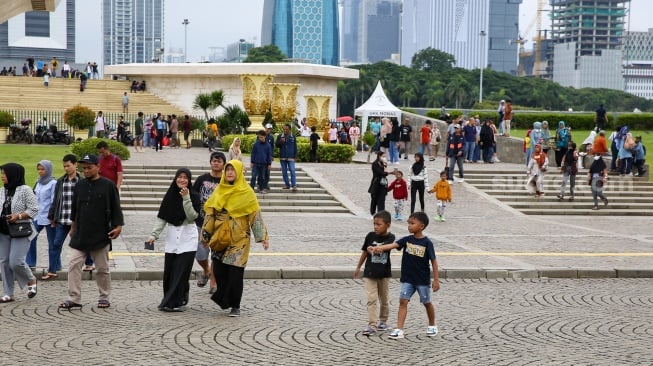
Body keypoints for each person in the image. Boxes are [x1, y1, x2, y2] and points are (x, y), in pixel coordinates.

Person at [202, 160, 270, 317]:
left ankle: (235, 305)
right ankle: (225, 299)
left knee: (235, 274)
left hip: (239, 241)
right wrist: (205, 236)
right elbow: (210, 215)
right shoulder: (219, 191)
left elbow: (255, 216)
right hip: (220, 238)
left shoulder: (247, 193)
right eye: (228, 170)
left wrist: (262, 237)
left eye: (233, 170)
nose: (230, 173)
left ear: (239, 172)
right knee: (218, 272)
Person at [59, 154, 124, 309]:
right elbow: (75, 208)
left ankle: (104, 296)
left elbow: (116, 207)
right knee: (73, 264)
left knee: (102, 268)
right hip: (80, 233)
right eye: (84, 168)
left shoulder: (108, 185)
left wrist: (118, 226)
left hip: (100, 234)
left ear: (98, 167)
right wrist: (73, 227)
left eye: (89, 167)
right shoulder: (80, 185)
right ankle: (74, 297)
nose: (86, 170)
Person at [372, 212, 440, 339]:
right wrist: (379, 248)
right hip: (408, 278)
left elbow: (434, 262)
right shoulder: (407, 240)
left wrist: (436, 280)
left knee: (426, 302)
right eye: (408, 223)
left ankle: (432, 325)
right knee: (403, 301)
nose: (409, 226)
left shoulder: (427, 243)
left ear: (421, 226)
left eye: (412, 223)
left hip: (422, 280)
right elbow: (393, 245)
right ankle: (399, 329)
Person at [146, 169, 200, 312]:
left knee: (181, 271)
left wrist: (186, 198)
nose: (182, 180)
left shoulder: (193, 195)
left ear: (189, 180)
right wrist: (153, 235)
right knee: (170, 271)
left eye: (185, 178)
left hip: (188, 237)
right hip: (172, 237)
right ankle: (173, 298)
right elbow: (162, 217)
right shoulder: (170, 195)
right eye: (179, 177)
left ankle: (175, 302)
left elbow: (192, 216)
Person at [0, 163, 39, 303]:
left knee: (15, 262)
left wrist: (18, 216)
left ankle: (31, 279)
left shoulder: (25, 190)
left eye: (4, 173)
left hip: (20, 231)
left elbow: (34, 209)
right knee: (4, 263)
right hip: (3, 232)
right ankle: (8, 293)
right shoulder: (1, 191)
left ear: (13, 174)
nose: (2, 176)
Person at [354, 210, 395, 336]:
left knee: (384, 299)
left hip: (384, 273)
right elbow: (365, 252)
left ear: (387, 225)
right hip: (370, 272)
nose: (375, 227)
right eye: (374, 224)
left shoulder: (391, 237)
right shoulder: (370, 236)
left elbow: (387, 247)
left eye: (379, 224)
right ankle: (372, 325)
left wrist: (375, 248)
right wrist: (358, 267)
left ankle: (383, 321)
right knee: (371, 299)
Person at [192, 152, 226, 293]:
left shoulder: (226, 181)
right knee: (200, 254)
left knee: (217, 255)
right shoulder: (202, 179)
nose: (215, 163)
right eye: (213, 161)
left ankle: (213, 284)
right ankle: (206, 270)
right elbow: (193, 197)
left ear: (224, 164)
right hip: (201, 222)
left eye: (218, 161)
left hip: (219, 224)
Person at [45, 154, 80, 280]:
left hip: (77, 221)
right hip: (62, 219)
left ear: (75, 165)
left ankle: (88, 265)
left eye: (68, 166)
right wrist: (52, 216)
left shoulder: (81, 181)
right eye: (64, 166)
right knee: (56, 244)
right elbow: (56, 200)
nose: (66, 168)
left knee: (81, 245)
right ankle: (52, 270)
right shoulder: (61, 181)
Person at [26, 160, 56, 269]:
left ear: (48, 170)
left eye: (43, 169)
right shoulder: (38, 182)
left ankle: (56, 265)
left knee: (52, 242)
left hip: (49, 217)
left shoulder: (53, 183)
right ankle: (30, 262)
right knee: (31, 237)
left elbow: (54, 201)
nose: (40, 172)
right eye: (38, 169)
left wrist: (52, 216)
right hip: (37, 216)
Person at [276, 123, 298, 191]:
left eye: (286, 129)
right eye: (284, 129)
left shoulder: (293, 136)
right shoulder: (280, 136)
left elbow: (295, 147)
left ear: (290, 130)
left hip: (291, 157)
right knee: (284, 172)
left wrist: (295, 156)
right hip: (283, 157)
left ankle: (294, 185)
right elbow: (277, 145)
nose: (285, 131)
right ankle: (287, 185)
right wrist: (281, 142)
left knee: (292, 171)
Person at [368, 152, 389, 216]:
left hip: (383, 183)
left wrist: (385, 166)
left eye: (385, 157)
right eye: (383, 156)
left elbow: (385, 172)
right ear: (379, 156)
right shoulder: (375, 164)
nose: (384, 158)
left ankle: (381, 213)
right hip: (376, 183)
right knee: (374, 199)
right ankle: (373, 213)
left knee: (382, 199)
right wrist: (387, 173)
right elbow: (380, 173)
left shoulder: (383, 164)